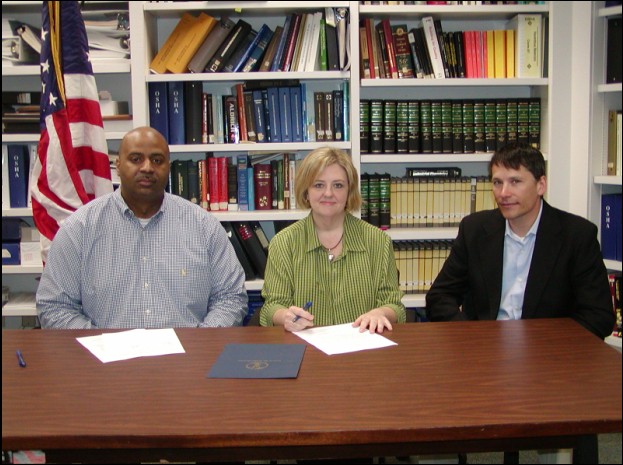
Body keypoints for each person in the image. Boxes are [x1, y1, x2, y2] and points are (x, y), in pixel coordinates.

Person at [426, 142, 614, 464]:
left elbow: (598, 316)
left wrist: (541, 347)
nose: (503, 192)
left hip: (550, 364)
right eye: (497, 182)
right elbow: (439, 296)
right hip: (484, 359)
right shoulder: (476, 229)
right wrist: (473, 339)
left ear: (540, 185)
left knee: (578, 415)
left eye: (515, 181)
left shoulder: (576, 235)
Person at [37, 127, 248, 329]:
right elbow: (55, 306)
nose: (147, 167)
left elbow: (231, 298)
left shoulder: (204, 227)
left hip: (185, 360)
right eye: (136, 159)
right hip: (106, 360)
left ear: (169, 167)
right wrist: (98, 343)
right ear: (118, 166)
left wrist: (198, 342)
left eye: (157, 160)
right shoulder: (79, 229)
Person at [260, 147, 406, 333]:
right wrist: (286, 317)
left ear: (349, 191)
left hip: (362, 347)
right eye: (319, 185)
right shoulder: (284, 243)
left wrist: (380, 313)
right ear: (306, 191)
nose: (328, 193)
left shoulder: (377, 241)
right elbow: (272, 306)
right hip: (305, 348)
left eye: (338, 185)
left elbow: (394, 304)